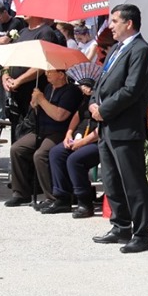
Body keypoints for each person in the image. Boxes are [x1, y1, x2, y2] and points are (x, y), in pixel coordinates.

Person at [90, 4, 148, 254]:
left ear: (129, 23)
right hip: (107, 125)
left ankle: (141, 232)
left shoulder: (141, 50)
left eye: (115, 21)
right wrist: (93, 103)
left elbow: (132, 89)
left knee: (133, 182)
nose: (111, 26)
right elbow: (101, 81)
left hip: (125, 126)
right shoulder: (117, 48)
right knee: (111, 179)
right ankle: (120, 225)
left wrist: (104, 109)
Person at [5, 69, 81, 207]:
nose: (47, 75)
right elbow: (38, 111)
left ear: (61, 74)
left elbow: (59, 116)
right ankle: (21, 193)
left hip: (59, 132)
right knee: (17, 149)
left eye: (50, 72)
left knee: (41, 155)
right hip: (41, 129)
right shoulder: (47, 88)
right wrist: (35, 103)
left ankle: (52, 197)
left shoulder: (71, 91)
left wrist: (42, 100)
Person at [44, 75, 100, 217]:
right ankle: (62, 197)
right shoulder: (85, 100)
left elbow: (102, 129)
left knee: (75, 159)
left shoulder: (102, 99)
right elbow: (77, 116)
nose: (85, 89)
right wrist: (68, 134)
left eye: (88, 86)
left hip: (96, 141)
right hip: (78, 137)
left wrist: (83, 142)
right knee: (56, 153)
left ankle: (84, 201)